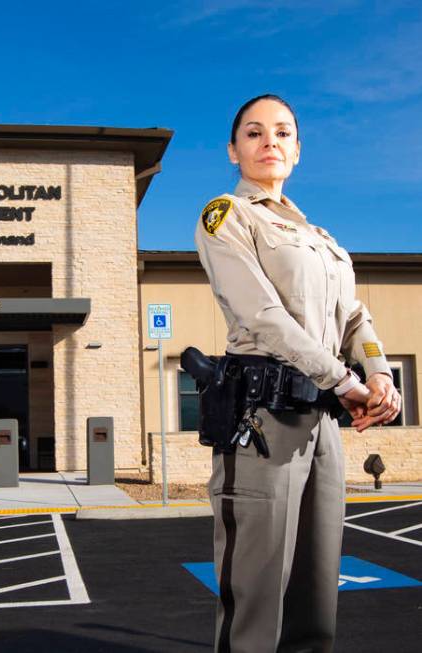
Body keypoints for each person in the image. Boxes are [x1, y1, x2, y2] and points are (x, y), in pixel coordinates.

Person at [194, 94, 402, 652]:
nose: (270, 143)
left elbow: (356, 314)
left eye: (282, 133)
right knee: (257, 592)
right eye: (255, 133)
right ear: (234, 151)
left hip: (324, 420)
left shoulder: (322, 239)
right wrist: (348, 382)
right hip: (264, 420)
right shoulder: (226, 216)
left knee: (316, 589)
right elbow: (264, 317)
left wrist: (379, 373)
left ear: (298, 151)